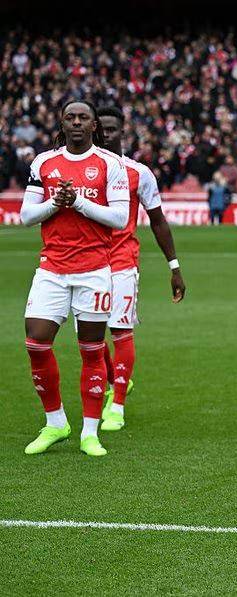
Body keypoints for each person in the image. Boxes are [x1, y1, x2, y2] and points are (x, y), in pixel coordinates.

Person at [20, 100, 130, 457]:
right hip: (51, 269)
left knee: (92, 350)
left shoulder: (110, 164)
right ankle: (56, 423)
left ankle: (90, 432)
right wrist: (56, 203)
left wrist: (77, 202)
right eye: (71, 117)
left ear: (94, 125)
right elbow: (26, 216)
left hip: (94, 270)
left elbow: (119, 218)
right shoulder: (43, 162)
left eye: (84, 117)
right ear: (62, 123)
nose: (77, 122)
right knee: (36, 343)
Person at [96, 105, 186, 431]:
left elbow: (158, 221)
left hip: (122, 260)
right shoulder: (81, 168)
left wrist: (174, 266)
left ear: (123, 131)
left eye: (111, 129)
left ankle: (117, 404)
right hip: (88, 261)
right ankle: (115, 381)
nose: (106, 135)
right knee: (89, 335)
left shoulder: (139, 172)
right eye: (101, 129)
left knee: (120, 330)